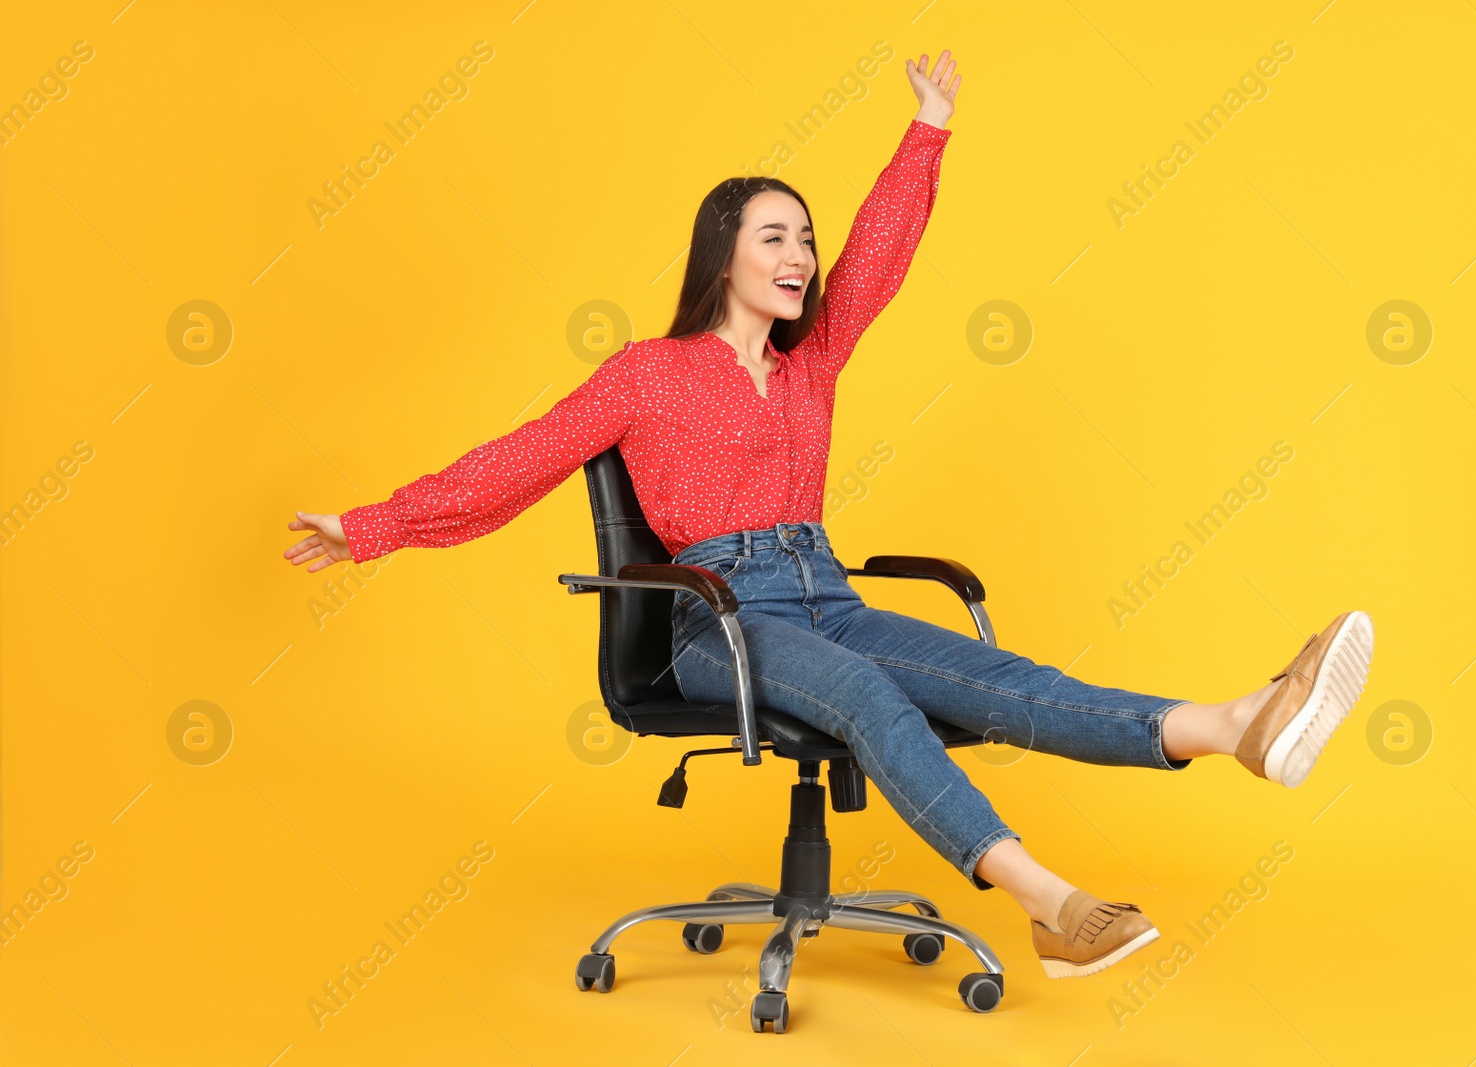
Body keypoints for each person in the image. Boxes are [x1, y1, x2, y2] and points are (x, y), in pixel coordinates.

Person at [283, 49, 1376, 979]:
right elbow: (514, 463)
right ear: (722, 254)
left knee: (1006, 682)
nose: (800, 255)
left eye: (803, 238)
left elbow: (878, 265)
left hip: (825, 592)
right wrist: (373, 523)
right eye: (774, 237)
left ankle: (1236, 724)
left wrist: (927, 132)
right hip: (720, 616)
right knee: (863, 693)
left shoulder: (812, 365)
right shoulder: (646, 374)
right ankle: (1050, 902)